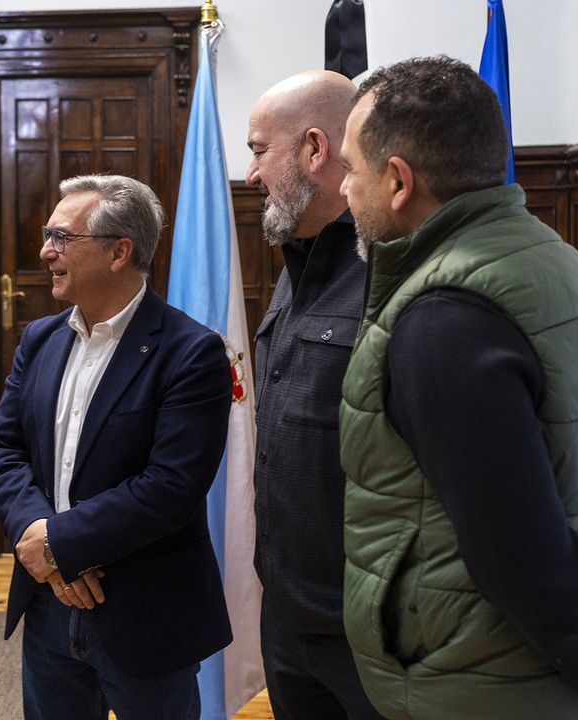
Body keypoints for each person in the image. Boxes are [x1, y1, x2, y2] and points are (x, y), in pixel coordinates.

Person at [336, 55, 578, 720]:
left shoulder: (444, 316)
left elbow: (523, 559)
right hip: (572, 670)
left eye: (350, 169)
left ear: (398, 181)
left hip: (490, 692)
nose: (345, 189)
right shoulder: (569, 269)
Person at [0, 174, 233, 720]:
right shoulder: (40, 339)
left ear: (120, 251)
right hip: (48, 603)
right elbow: (2, 448)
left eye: (63, 237)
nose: (47, 250)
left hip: (145, 614)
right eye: (50, 235)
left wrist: (58, 546)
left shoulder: (192, 353)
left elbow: (171, 488)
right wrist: (36, 540)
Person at [244, 70, 382, 720]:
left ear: (314, 151)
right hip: (289, 616)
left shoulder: (388, 272)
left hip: (366, 639)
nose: (250, 175)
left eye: (257, 150)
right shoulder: (295, 268)